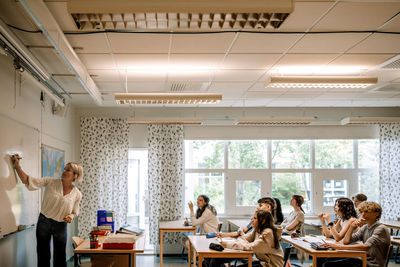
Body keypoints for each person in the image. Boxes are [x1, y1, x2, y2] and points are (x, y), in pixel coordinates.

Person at [11, 154, 83, 267]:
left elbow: (75, 212)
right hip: (44, 222)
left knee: (60, 258)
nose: (64, 171)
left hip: (61, 225)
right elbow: (28, 180)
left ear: (75, 175)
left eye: (68, 170)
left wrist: (71, 216)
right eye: (64, 168)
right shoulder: (51, 182)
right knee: (43, 256)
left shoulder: (77, 194)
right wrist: (17, 167)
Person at [319, 201, 390, 267]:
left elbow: (365, 247)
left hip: (371, 264)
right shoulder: (365, 227)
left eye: (367, 212)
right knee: (322, 258)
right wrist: (352, 227)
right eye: (362, 212)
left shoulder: (381, 228)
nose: (363, 214)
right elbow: (346, 242)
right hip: (361, 258)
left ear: (377, 213)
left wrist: (337, 246)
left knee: (328, 264)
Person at [205, 210, 284, 267]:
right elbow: (244, 238)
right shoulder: (258, 229)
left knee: (216, 260)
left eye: (255, 218)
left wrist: (227, 244)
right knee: (215, 259)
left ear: (263, 221)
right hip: (263, 262)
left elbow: (251, 247)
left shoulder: (267, 233)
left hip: (270, 264)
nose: (252, 220)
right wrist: (243, 242)